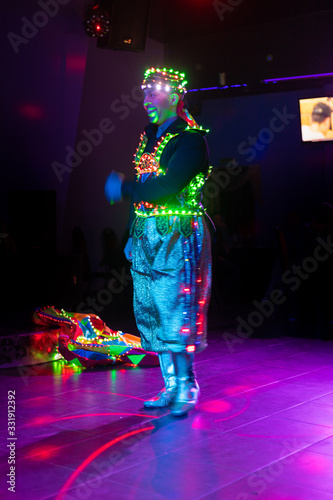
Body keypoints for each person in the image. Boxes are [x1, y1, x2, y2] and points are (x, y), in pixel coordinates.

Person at [104, 67, 212, 417]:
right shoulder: (149, 136)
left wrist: (122, 188)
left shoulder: (191, 138)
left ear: (176, 95)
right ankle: (169, 386)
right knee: (150, 310)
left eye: (154, 92)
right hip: (147, 233)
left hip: (177, 233)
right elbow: (146, 197)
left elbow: (167, 187)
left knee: (174, 310)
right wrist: (132, 233)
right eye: (145, 92)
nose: (147, 99)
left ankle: (187, 385)